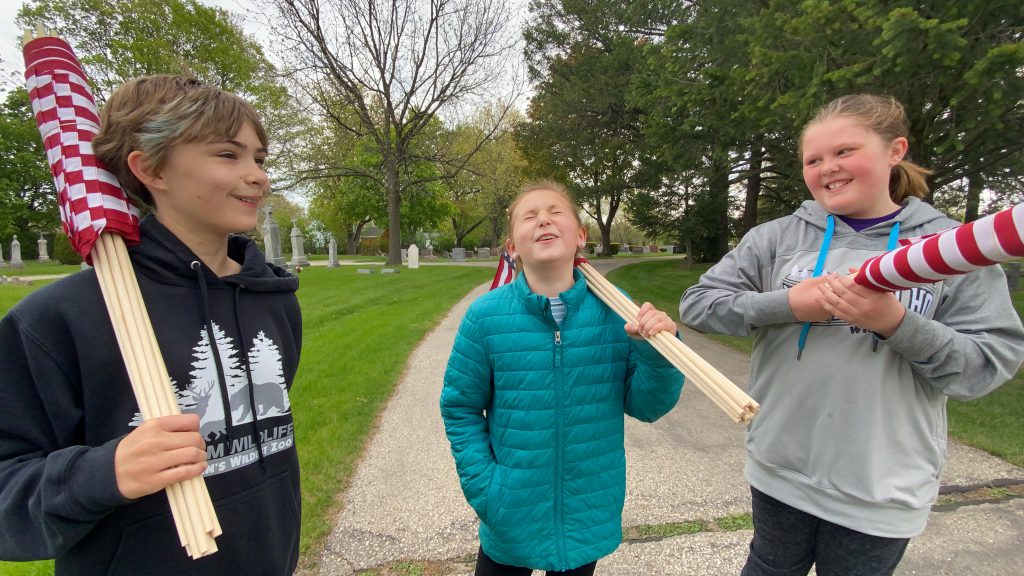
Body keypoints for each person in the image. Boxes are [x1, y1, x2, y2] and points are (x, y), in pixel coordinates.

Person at [679, 94, 1024, 576]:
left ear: (895, 150)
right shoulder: (776, 238)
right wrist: (789, 305)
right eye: (813, 159)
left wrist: (896, 324)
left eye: (844, 152)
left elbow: (987, 364)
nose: (828, 168)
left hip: (881, 484)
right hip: (782, 467)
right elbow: (699, 305)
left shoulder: (951, 249)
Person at [0, 75, 303, 575]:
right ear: (151, 169)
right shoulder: (60, 319)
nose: (257, 176)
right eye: (229, 155)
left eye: (259, 158)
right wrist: (104, 472)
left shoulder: (273, 300)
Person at [440, 180, 684, 576]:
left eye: (555, 212)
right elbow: (460, 407)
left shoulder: (616, 312)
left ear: (580, 236)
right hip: (509, 509)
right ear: (513, 247)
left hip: (585, 509)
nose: (543, 220)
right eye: (529, 216)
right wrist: (487, 488)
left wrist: (658, 352)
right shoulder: (485, 318)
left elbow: (648, 406)